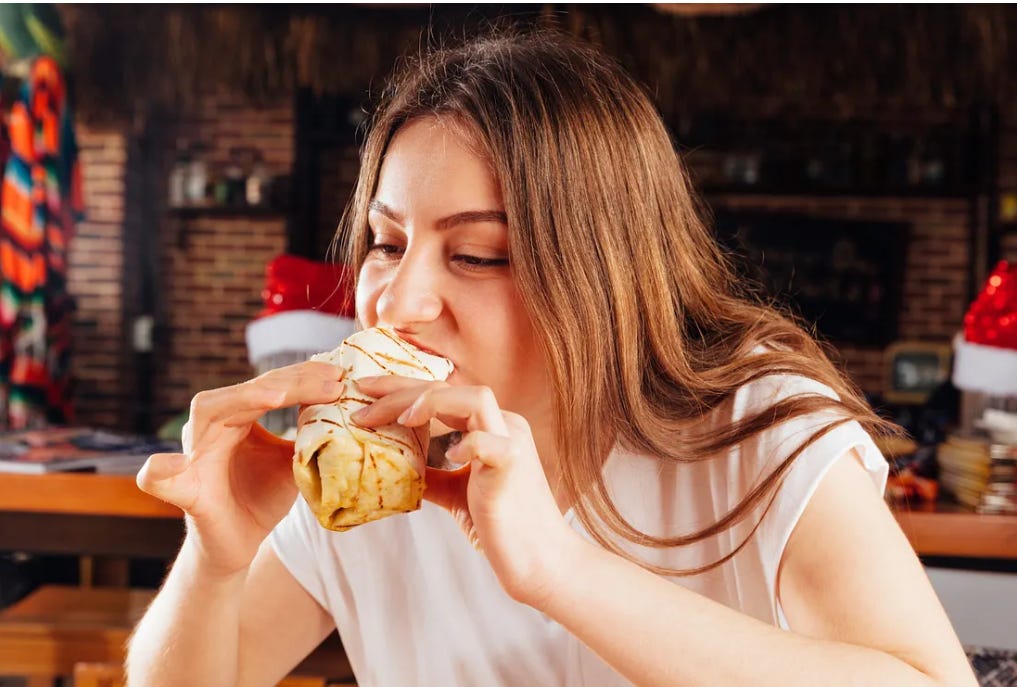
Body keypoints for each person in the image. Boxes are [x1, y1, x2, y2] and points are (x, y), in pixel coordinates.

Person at [126, 29, 977, 687]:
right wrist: (216, 559)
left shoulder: (758, 424)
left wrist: (557, 570)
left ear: (600, 270)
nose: (396, 300)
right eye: (386, 243)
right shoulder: (370, 459)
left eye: (479, 254)